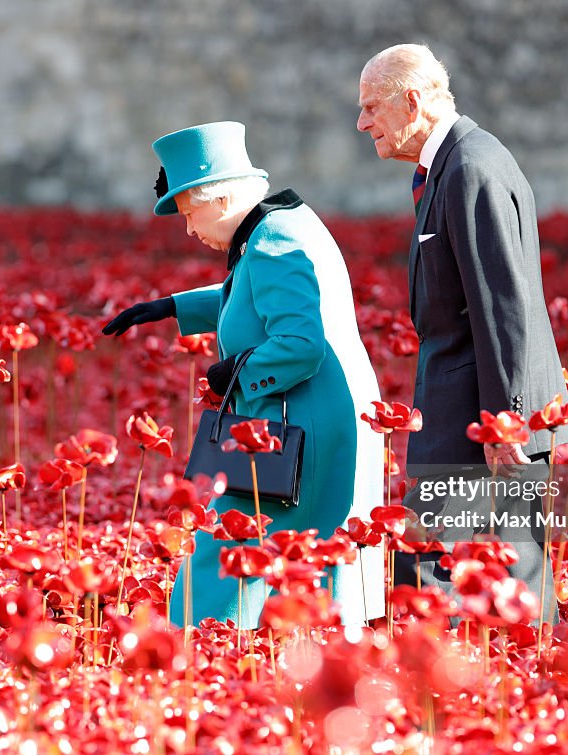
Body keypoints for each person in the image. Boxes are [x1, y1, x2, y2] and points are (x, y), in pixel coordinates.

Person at [103, 121, 384, 627]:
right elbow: (253, 300)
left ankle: (195, 650)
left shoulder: (274, 238)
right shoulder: (279, 225)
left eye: (191, 213)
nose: (190, 231)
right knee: (316, 560)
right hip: (320, 423)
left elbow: (301, 344)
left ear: (221, 198)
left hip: (296, 434)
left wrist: (235, 369)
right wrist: (171, 307)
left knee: (230, 544)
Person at [356, 44, 568, 624]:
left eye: (371, 108)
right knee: (505, 568)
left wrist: (508, 427)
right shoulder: (456, 164)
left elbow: (504, 306)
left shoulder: (470, 167)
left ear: (412, 102)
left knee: (437, 569)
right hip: (469, 407)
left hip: (481, 417)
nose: (362, 123)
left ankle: (450, 697)